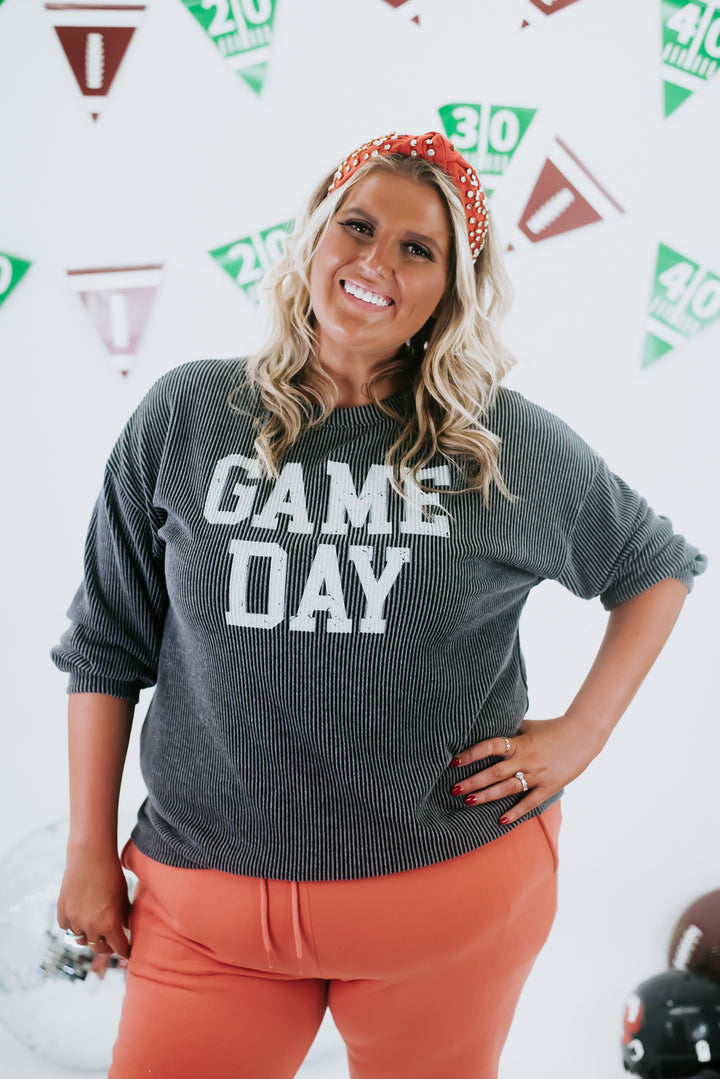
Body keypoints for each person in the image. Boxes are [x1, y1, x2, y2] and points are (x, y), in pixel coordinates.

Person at [52, 131, 706, 1079]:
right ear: (316, 236)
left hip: (447, 901)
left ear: (452, 287)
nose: (375, 262)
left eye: (417, 248)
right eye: (357, 227)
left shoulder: (497, 444)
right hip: (204, 907)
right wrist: (86, 848)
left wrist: (584, 732)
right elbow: (106, 642)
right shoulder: (187, 413)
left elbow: (654, 564)